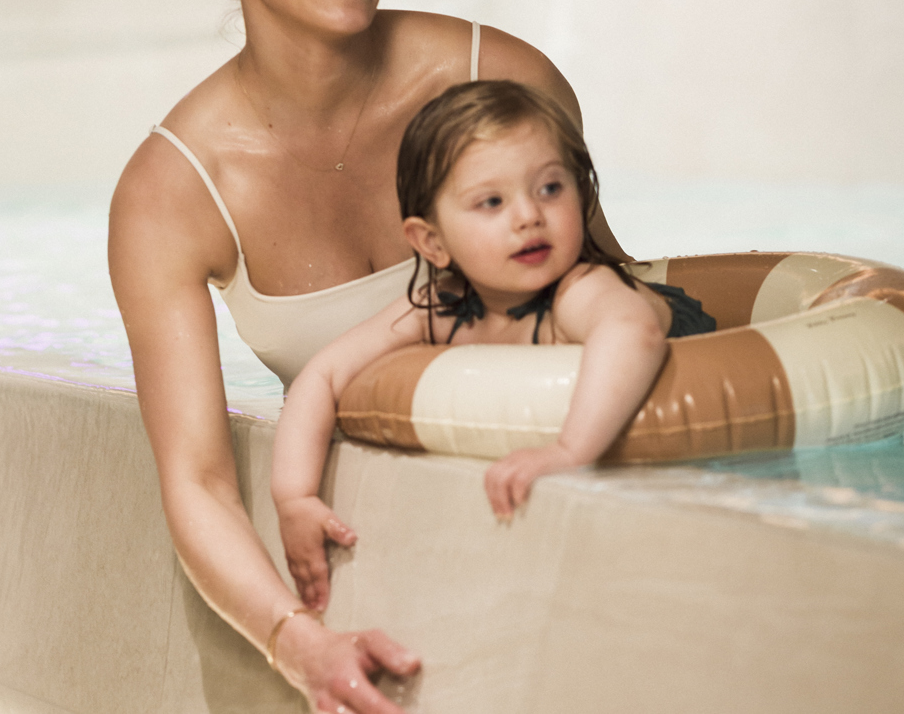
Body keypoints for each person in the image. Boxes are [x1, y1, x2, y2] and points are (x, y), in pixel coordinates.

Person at [108, 0, 630, 714]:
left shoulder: (503, 87)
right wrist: (296, 643)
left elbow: (609, 311)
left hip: (543, 508)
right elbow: (198, 482)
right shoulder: (174, 192)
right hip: (371, 562)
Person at [270, 79, 717, 612]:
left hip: (680, 338)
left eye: (550, 188)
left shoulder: (580, 292)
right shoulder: (440, 306)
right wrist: (294, 496)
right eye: (491, 202)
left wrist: (569, 451)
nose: (528, 215)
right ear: (432, 242)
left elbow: (633, 334)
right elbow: (322, 375)